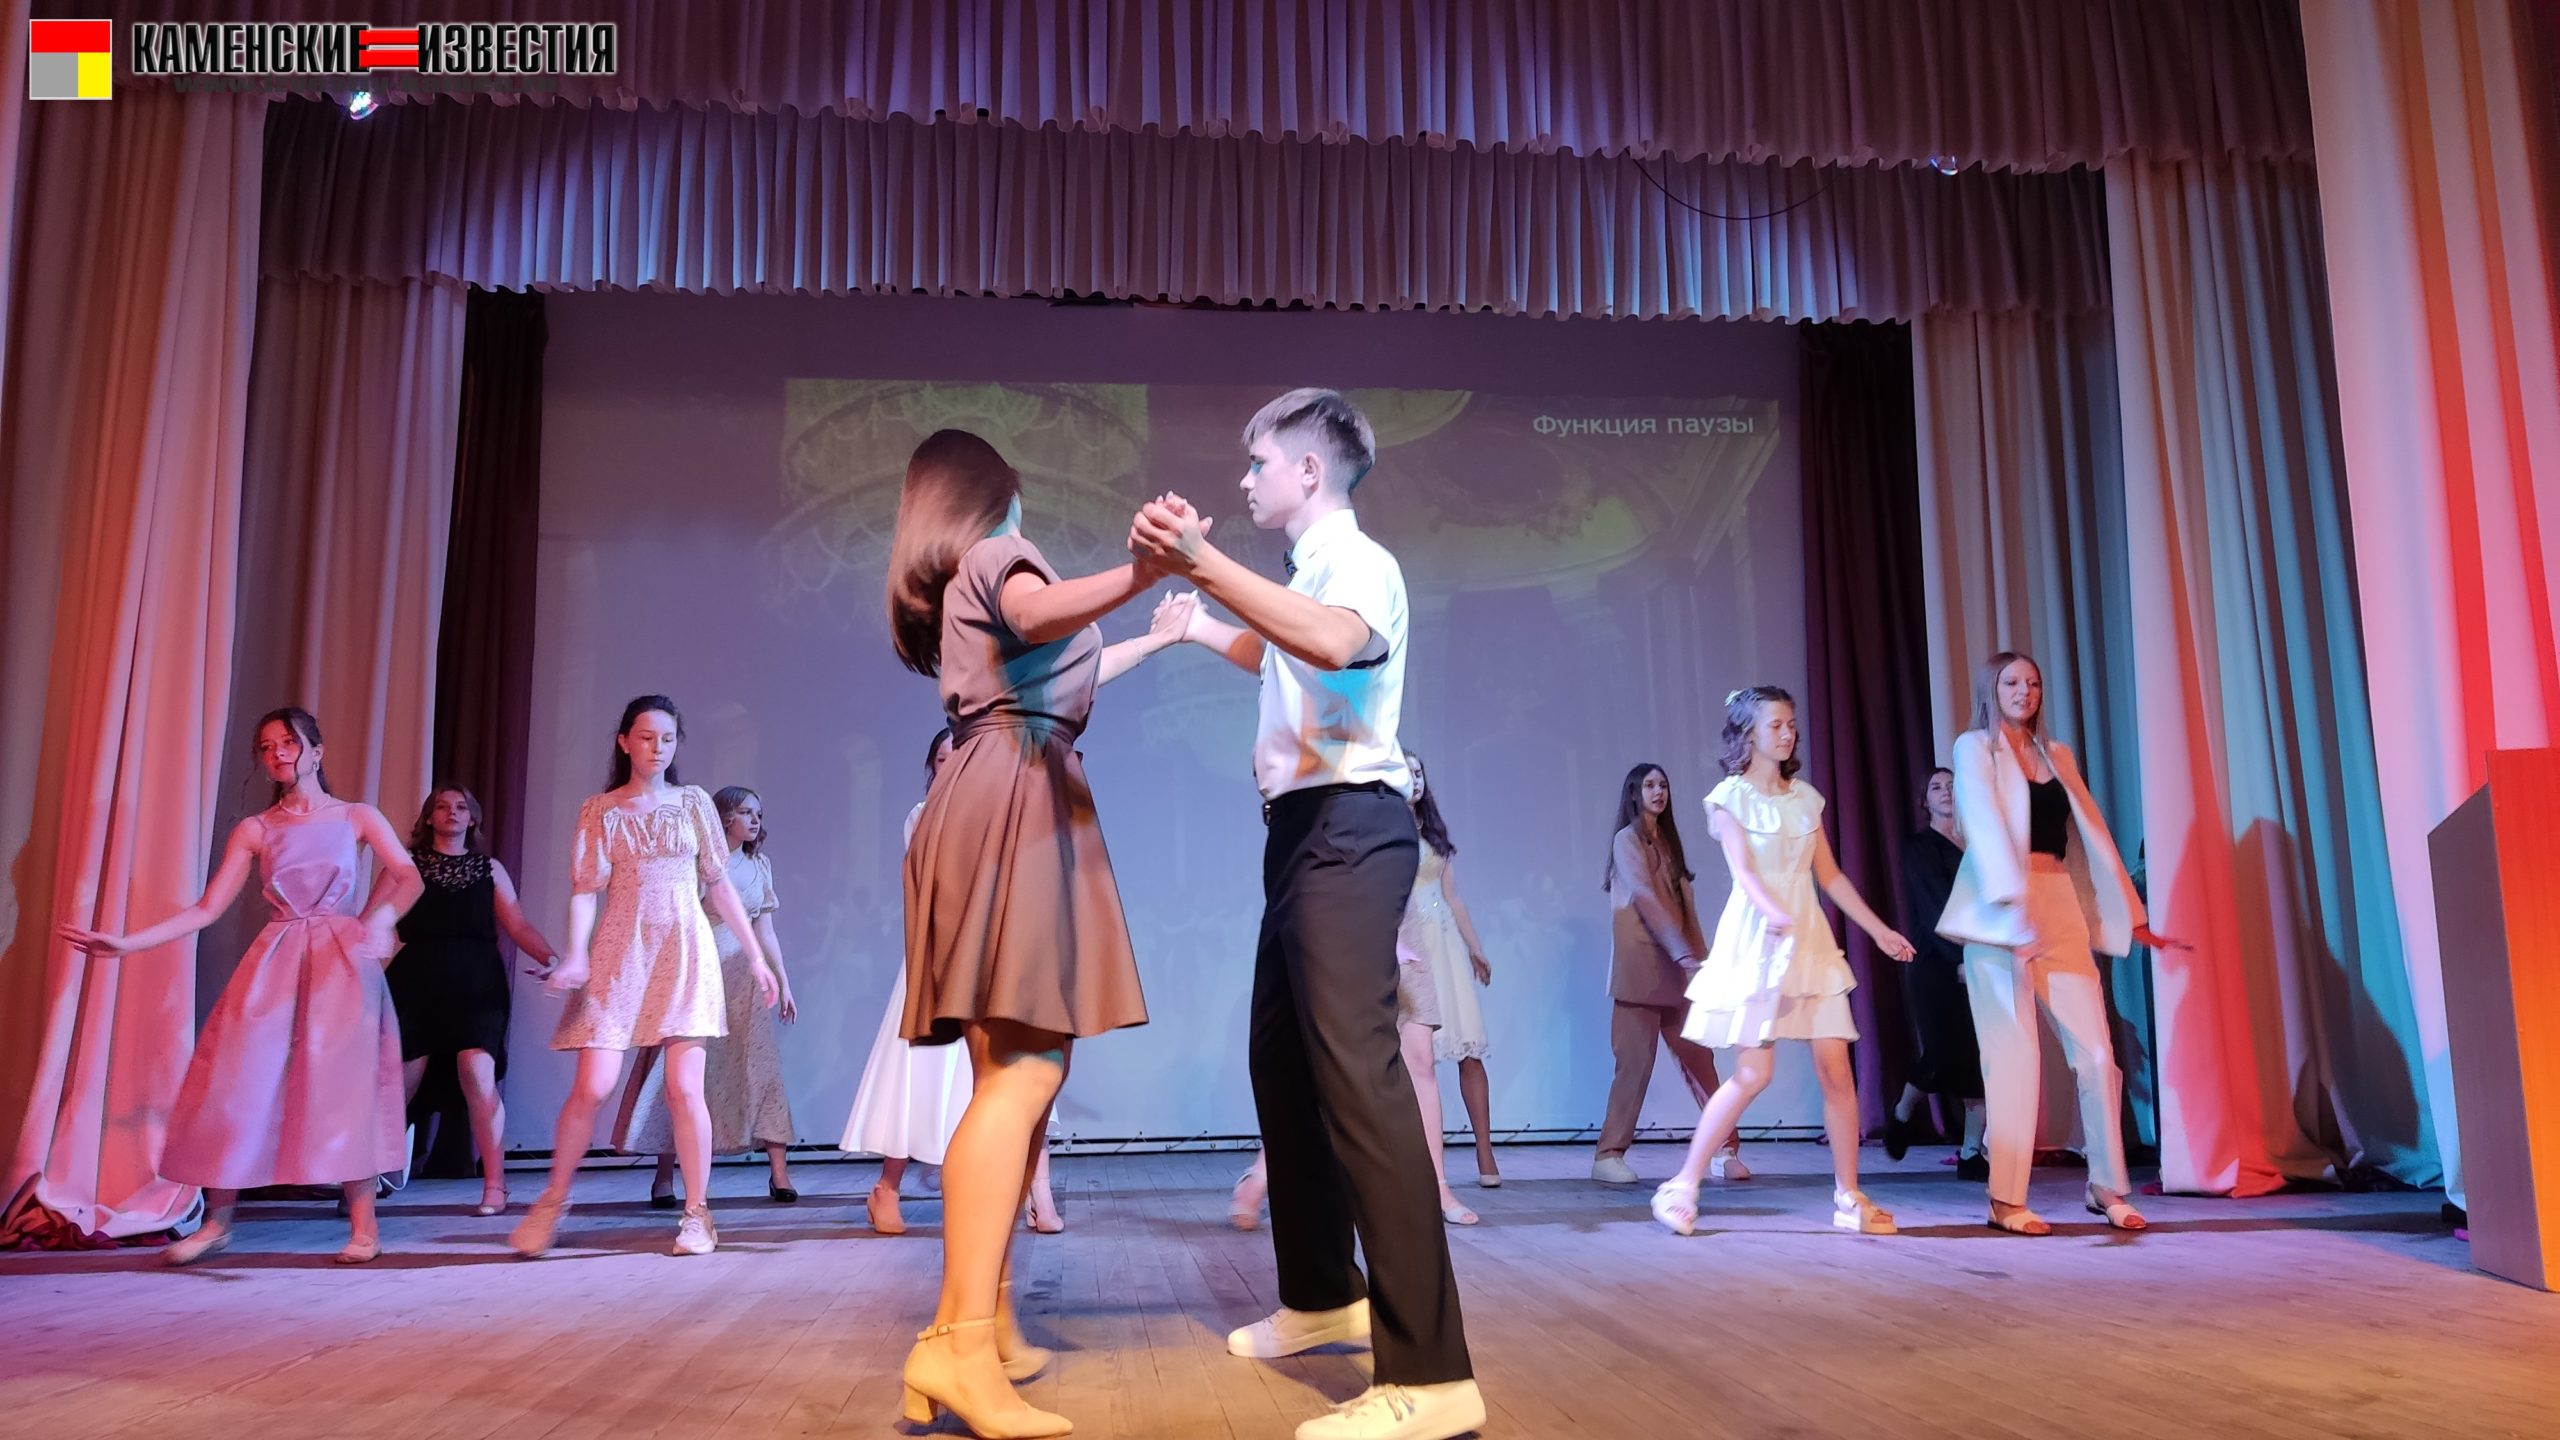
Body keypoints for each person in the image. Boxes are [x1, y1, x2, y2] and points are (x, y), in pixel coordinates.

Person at [1137, 388, 1484, 1440]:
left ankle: (1432, 1375)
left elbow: (1336, 644)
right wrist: (1202, 626)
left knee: (1361, 1086)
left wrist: (1202, 563)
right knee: (1283, 1068)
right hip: (1301, 833)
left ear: (1308, 471)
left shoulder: (1358, 561)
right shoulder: (1306, 575)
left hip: (1348, 828)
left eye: (1258, 463)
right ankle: (1324, 1296)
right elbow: (1289, 652)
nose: (1245, 481)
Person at [888, 428, 1189, 1438]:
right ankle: (959, 1345)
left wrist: (1157, 630)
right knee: (1024, 1071)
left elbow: (1063, 657)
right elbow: (1037, 612)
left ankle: (976, 1323)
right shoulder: (996, 555)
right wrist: (1143, 570)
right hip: (1014, 795)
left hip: (999, 784)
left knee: (1013, 1078)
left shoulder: (965, 589)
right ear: (995, 498)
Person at [58, 707, 421, 1265]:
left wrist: (379, 920)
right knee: (235, 1085)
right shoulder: (257, 829)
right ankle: (217, 1223)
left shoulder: (356, 816)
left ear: (316, 751)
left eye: (288, 743)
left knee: (343, 1090)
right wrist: (129, 943)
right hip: (276, 958)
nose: (277, 754)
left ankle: (364, 1227)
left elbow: (408, 876)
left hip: (342, 962)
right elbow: (207, 908)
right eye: (267, 746)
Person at [508, 695, 778, 1259]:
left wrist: (756, 956)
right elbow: (586, 889)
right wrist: (576, 955)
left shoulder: (692, 802)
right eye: (648, 737)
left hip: (684, 948)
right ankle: (552, 1200)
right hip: (620, 950)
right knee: (593, 1086)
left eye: (668, 739)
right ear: (624, 741)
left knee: (684, 1088)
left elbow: (718, 884)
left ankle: (697, 1214)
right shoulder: (601, 810)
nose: (658, 748)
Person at [1650, 687, 1917, 1239]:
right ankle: (1682, 1184)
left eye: (1791, 724)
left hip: (1809, 940)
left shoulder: (1805, 800)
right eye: (1775, 725)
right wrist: (1774, 913)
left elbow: (1831, 876)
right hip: (1759, 939)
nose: (1788, 733)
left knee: (1836, 1070)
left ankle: (1848, 1195)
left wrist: (1879, 930)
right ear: (1748, 733)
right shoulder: (1728, 798)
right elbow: (1744, 872)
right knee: (1754, 1073)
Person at [1938, 651, 2185, 1235]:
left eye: (2032, 683)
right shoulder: (1974, 748)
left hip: (2059, 905)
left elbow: (2090, 836)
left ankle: (2105, 1186)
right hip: (1998, 914)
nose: (2024, 691)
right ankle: (2006, 1200)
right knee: (2013, 1058)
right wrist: (2010, 902)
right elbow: (1983, 823)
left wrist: (2129, 917)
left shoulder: (2057, 754)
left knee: (2097, 1055)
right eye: (2011, 682)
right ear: (1991, 689)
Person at [390, 783, 561, 1217]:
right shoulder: (406, 865)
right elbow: (378, 918)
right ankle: (366, 1177)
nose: (452, 812)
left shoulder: (490, 869)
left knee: (477, 1072)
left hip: (477, 982)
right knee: (402, 1081)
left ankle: (495, 1185)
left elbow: (518, 925)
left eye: (461, 807)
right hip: (418, 981)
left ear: (473, 819)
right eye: (442, 806)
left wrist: (553, 959)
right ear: (428, 817)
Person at [627, 785, 803, 1206]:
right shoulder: (698, 862)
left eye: (758, 813)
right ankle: (665, 1177)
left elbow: (765, 931)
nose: (755, 820)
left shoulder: (759, 866)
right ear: (723, 817)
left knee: (760, 1068)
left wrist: (784, 982)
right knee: (682, 1075)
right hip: (699, 972)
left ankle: (779, 1173)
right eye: (745, 812)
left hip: (745, 980)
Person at [844, 727, 973, 1235]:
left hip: (984, 961)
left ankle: (974, 1190)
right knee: (916, 1074)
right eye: (942, 758)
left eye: (959, 756)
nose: (951, 764)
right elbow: (931, 889)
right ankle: (887, 1187)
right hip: (935, 960)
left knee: (973, 1081)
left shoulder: (993, 813)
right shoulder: (922, 815)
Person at [1593, 762, 1745, 1186]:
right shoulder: (1626, 840)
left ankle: (1725, 1148)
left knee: (1700, 1061)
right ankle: (1608, 1154)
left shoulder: (1667, 843)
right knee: (1634, 1066)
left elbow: (1685, 911)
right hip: (1641, 971)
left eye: (1663, 784)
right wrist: (1683, 954)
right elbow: (1644, 896)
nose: (1658, 792)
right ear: (1634, 793)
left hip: (1679, 972)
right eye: (1649, 785)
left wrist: (1702, 961)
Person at [1885, 767, 1987, 1180]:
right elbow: (1933, 911)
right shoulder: (1919, 848)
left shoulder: (1978, 845)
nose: (1945, 792)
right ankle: (1901, 1112)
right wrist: (1958, 959)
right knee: (1941, 1056)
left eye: (1951, 785)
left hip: (1979, 960)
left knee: (1979, 1056)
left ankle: (1971, 1153)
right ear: (1924, 800)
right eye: (1936, 787)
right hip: (1934, 964)